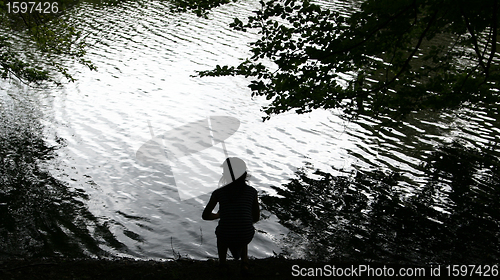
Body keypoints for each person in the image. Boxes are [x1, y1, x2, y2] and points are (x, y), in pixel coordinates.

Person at [202, 157, 260, 276]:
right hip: (246, 235)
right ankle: (244, 263)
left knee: (222, 234)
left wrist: (218, 215)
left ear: (226, 175)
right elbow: (256, 217)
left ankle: (222, 264)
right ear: (244, 174)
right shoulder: (252, 192)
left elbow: (205, 216)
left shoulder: (218, 193)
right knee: (243, 228)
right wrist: (245, 219)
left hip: (226, 234)